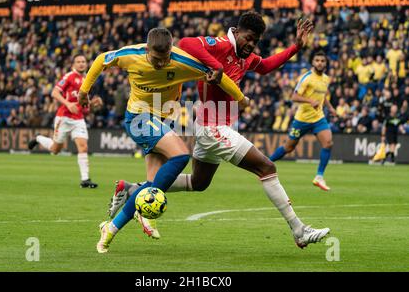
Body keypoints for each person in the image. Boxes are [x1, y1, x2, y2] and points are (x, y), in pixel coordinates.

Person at [109, 13, 331, 249]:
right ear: (236, 32)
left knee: (199, 182)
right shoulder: (220, 45)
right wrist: (216, 67)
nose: (251, 45)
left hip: (214, 128)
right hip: (212, 128)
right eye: (248, 38)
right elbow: (186, 43)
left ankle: (133, 190)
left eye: (255, 41)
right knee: (266, 167)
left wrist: (296, 46)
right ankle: (299, 230)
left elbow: (265, 66)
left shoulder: (243, 58)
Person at [78, 27, 249, 253]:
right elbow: (101, 60)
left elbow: (217, 74)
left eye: (165, 58)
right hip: (139, 118)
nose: (161, 64)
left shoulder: (182, 61)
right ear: (147, 49)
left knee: (152, 184)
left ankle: (110, 228)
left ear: (171, 49)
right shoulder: (131, 55)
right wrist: (83, 91)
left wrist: (239, 98)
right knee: (180, 156)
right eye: (156, 59)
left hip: (165, 119)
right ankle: (142, 211)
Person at [28, 54, 102, 189]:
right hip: (64, 117)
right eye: (78, 62)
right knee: (55, 150)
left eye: (83, 61)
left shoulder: (87, 80)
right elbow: (55, 93)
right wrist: (68, 104)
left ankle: (85, 180)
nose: (81, 64)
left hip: (78, 118)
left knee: (83, 146)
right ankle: (38, 138)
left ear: (86, 64)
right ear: (73, 64)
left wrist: (93, 104)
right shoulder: (69, 77)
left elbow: (84, 107)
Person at [269, 50, 337, 191]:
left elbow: (323, 96)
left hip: (318, 118)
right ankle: (266, 164)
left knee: (328, 143)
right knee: (288, 147)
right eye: (317, 60)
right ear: (313, 62)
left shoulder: (326, 79)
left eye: (322, 61)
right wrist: (309, 100)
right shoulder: (306, 78)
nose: (320, 63)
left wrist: (330, 108)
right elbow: (294, 97)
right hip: (302, 119)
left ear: (326, 63)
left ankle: (319, 177)